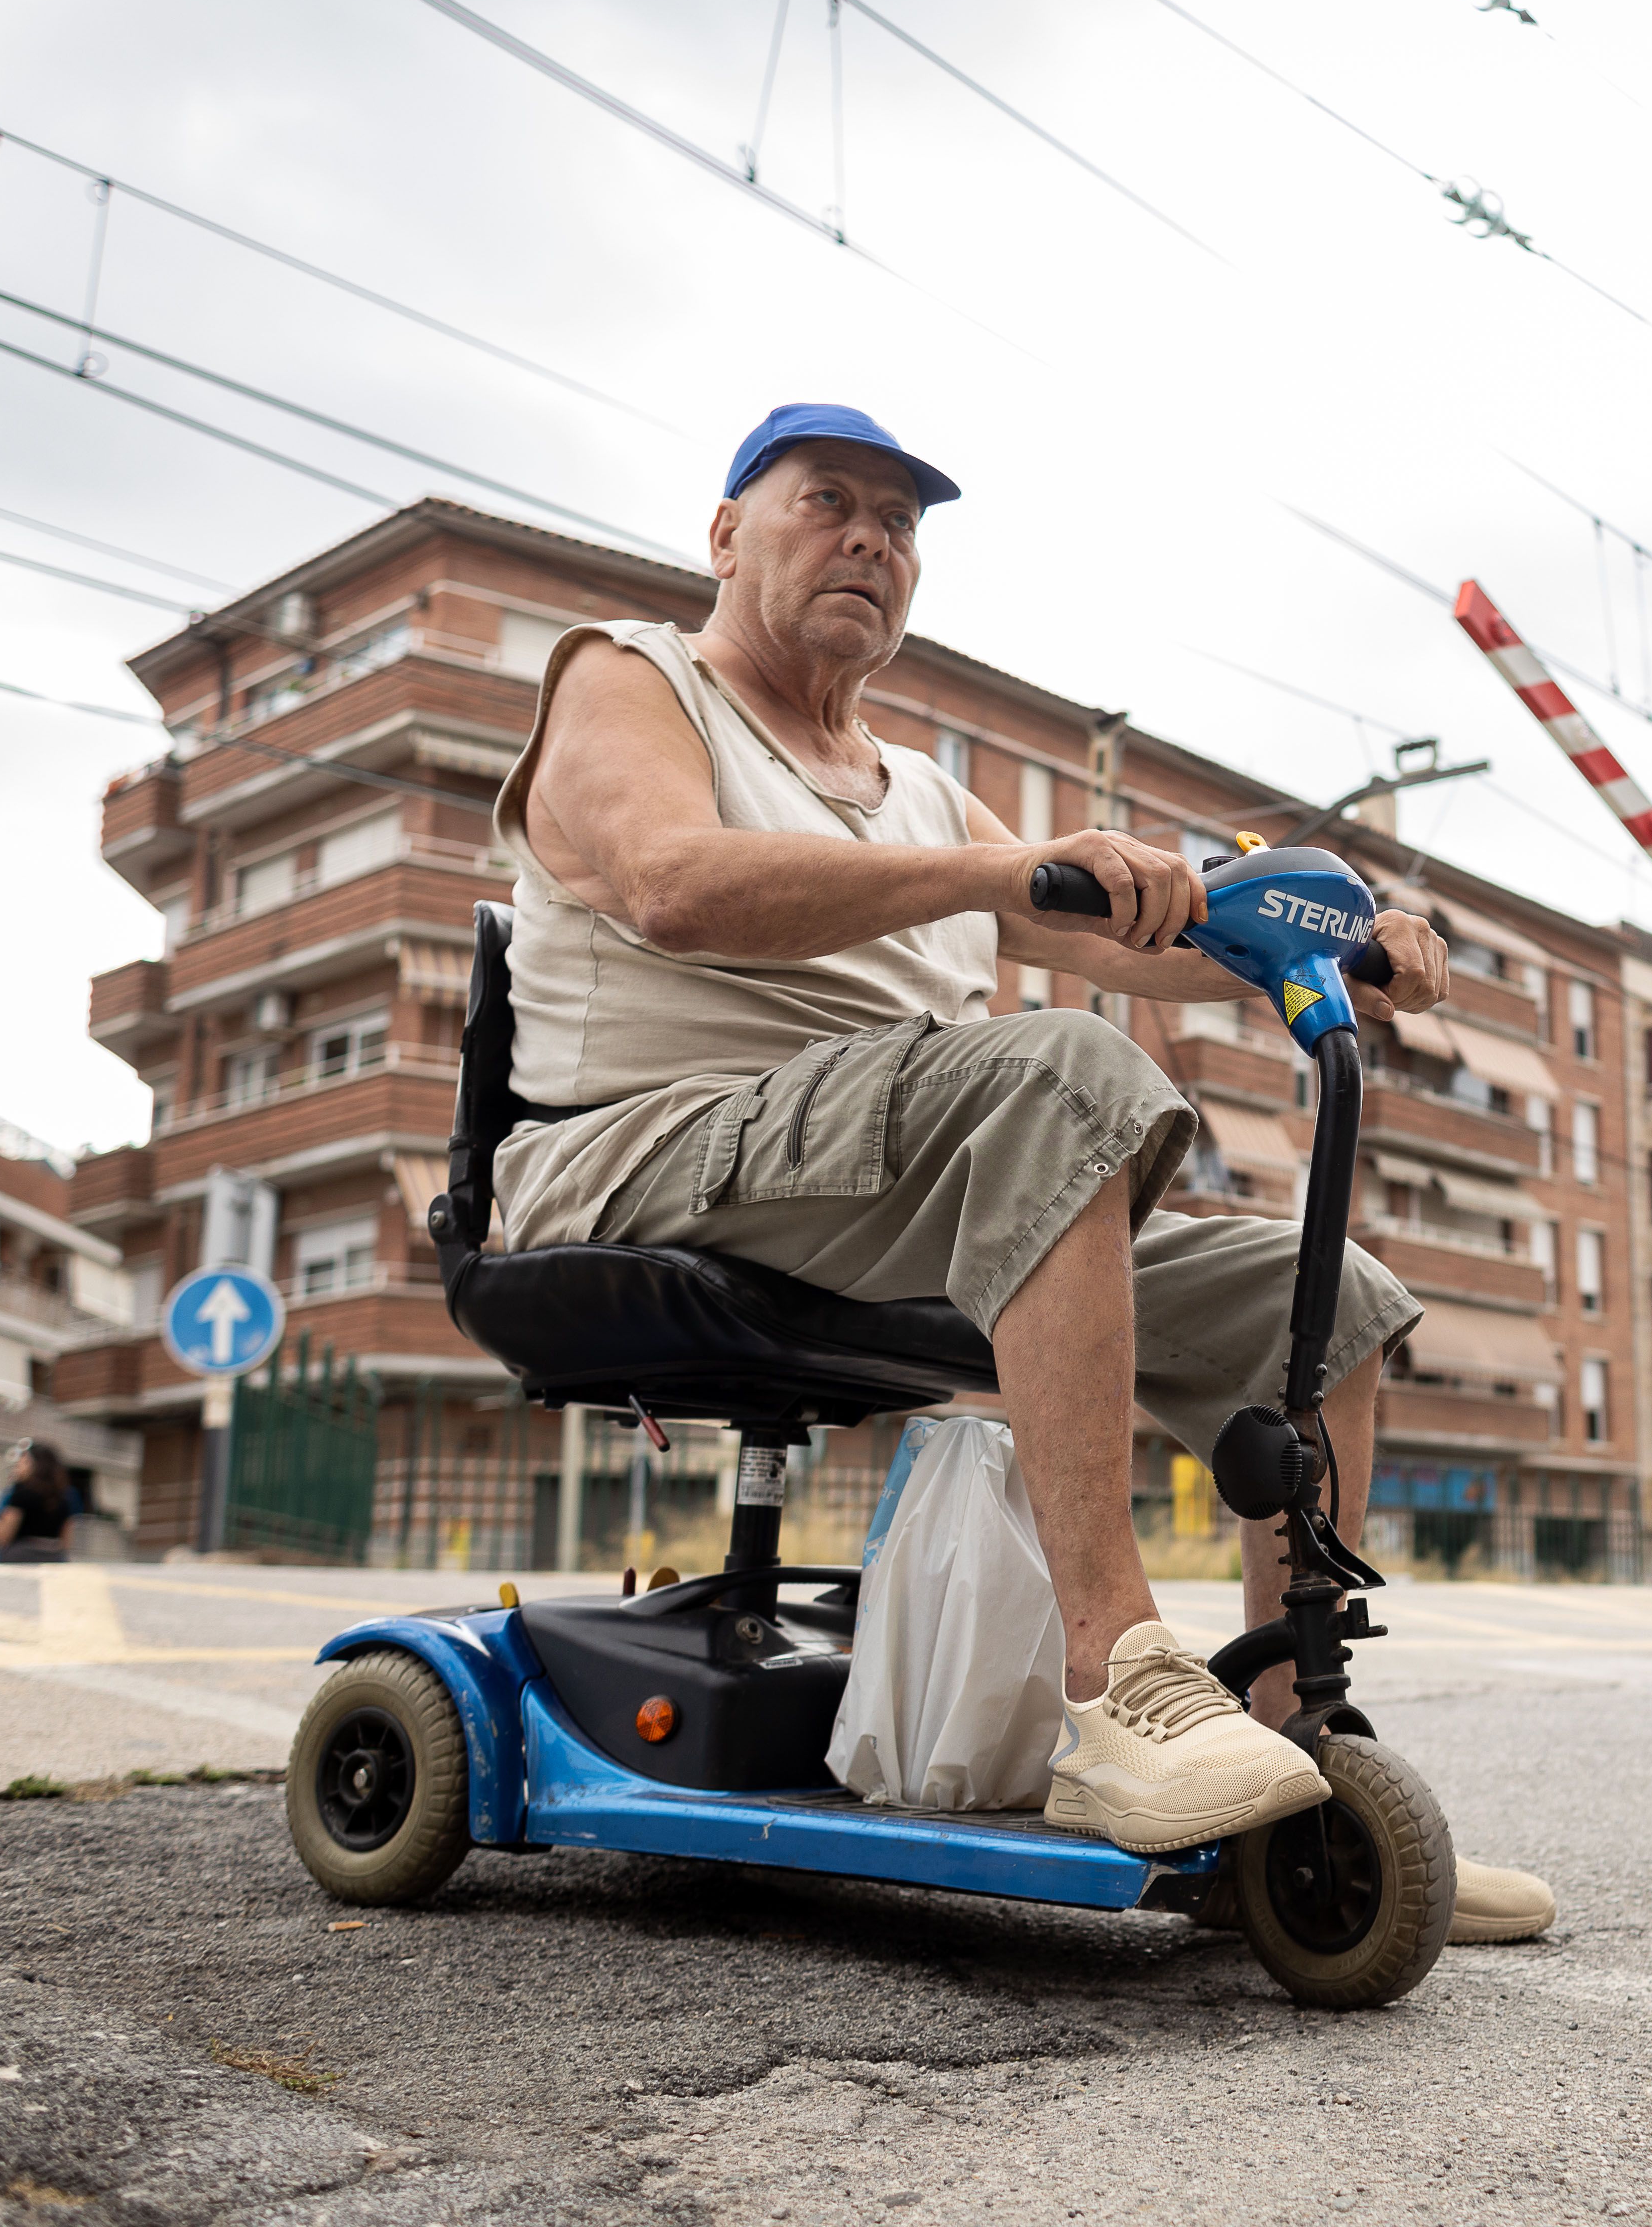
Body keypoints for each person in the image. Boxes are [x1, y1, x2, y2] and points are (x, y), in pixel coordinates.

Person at [489, 404, 1550, 1941]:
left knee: (1328, 1302)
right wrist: (1005, 871)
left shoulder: (914, 785)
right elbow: (668, 881)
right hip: (643, 1153)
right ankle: (1116, 1680)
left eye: (900, 523)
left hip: (872, 1170)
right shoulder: (631, 676)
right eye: (827, 502)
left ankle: (1291, 1741)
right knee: (1058, 1069)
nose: (870, 537)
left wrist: (1330, 951)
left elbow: (1128, 940)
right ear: (725, 535)